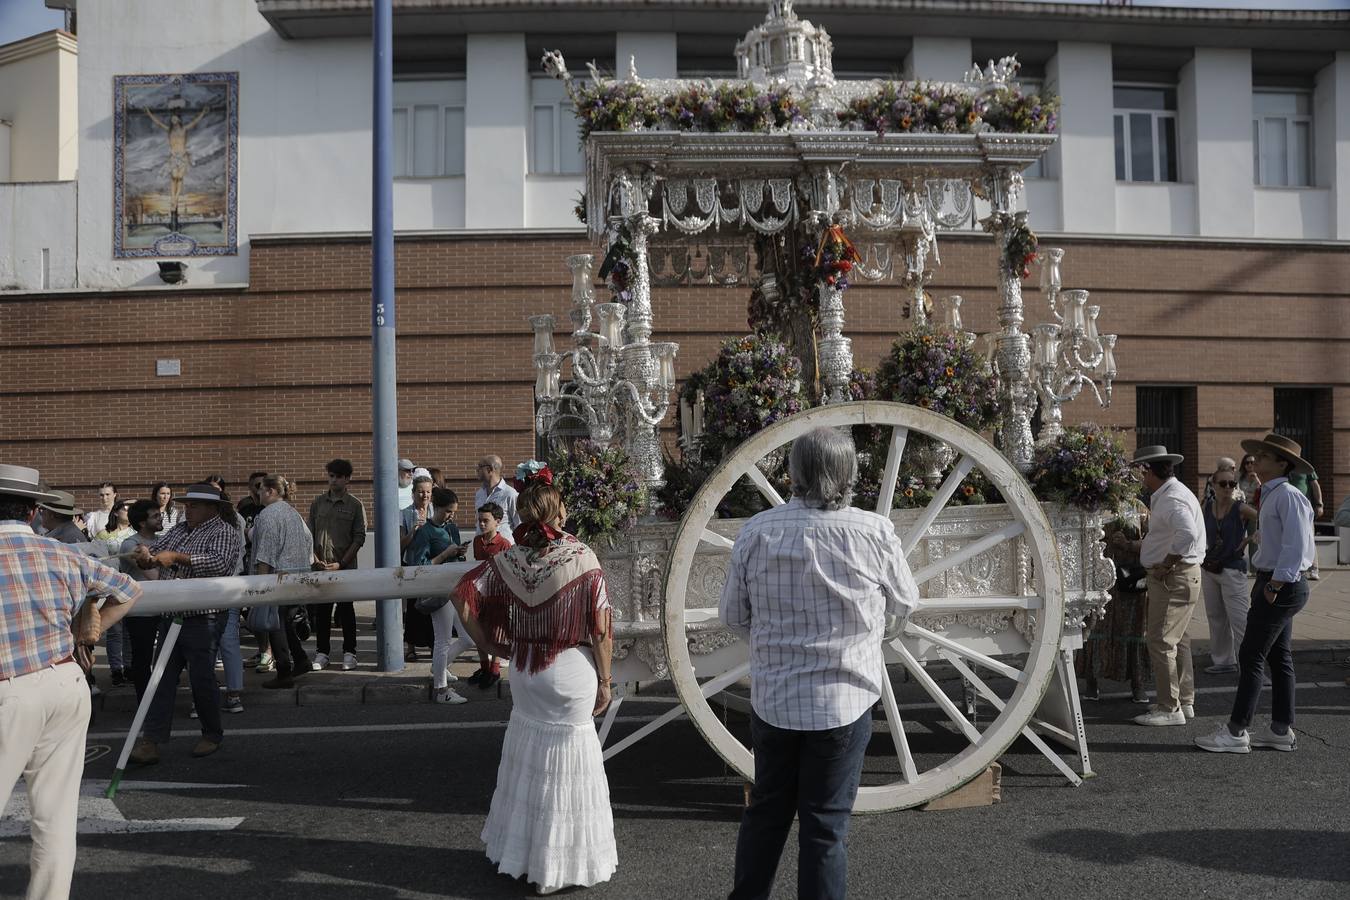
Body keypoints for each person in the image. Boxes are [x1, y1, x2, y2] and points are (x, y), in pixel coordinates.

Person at [720, 427, 918, 900]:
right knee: (826, 827)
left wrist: (773, 645)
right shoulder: (873, 532)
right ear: (848, 473)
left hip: (775, 698)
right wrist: (872, 636)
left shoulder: (758, 531)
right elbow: (905, 604)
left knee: (766, 813)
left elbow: (732, 615)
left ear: (793, 472)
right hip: (843, 699)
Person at [453, 481, 617, 896]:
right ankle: (563, 863)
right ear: (557, 513)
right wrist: (606, 680)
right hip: (568, 670)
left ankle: (522, 856)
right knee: (568, 767)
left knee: (530, 761)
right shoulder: (581, 556)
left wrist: (488, 644)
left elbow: (462, 594)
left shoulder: (509, 558)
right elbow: (600, 630)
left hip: (525, 671)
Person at [0, 464, 140, 899]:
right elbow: (129, 589)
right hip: (65, 680)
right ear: (34, 512)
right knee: (56, 819)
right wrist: (85, 633)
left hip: (9, 687)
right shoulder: (60, 553)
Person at [1196, 433, 1317, 754]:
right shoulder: (1272, 494)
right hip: (1275, 581)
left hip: (1281, 584)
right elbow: (1282, 539)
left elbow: (1297, 545)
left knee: (1250, 655)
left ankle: (1237, 731)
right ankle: (1280, 730)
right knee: (1278, 657)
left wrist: (1275, 584)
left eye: (1264, 456)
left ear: (1282, 463)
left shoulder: (1288, 495)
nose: (1255, 460)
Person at [128, 483, 244, 764]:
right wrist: (146, 557)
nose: (186, 509)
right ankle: (151, 739)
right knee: (161, 678)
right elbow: (157, 554)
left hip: (205, 616)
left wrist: (176, 558)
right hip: (172, 614)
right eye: (187, 505)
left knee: (201, 678)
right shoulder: (180, 530)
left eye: (193, 506)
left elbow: (219, 564)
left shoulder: (225, 532)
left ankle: (211, 733)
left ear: (212, 509)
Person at [1120, 445, 1205, 727]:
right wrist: (1134, 546)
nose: (1138, 476)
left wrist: (1166, 564)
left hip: (1173, 577)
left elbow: (1187, 535)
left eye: (1139, 470)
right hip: (1181, 575)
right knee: (1178, 640)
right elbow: (1164, 536)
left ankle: (1170, 708)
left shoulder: (1172, 499)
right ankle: (1185, 701)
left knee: (1160, 640)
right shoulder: (1170, 494)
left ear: (1147, 470)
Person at [1081, 497, 1151, 704]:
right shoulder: (1093, 504)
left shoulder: (1138, 507)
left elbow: (1154, 539)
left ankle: (1137, 684)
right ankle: (1091, 683)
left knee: (1132, 627)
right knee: (1096, 625)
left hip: (1130, 576)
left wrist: (1129, 545)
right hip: (1100, 576)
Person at [250, 474, 314, 689]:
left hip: (277, 577)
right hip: (298, 576)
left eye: (260, 489)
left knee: (275, 625)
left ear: (270, 491)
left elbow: (265, 552)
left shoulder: (267, 515)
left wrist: (261, 585)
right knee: (285, 622)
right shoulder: (292, 512)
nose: (257, 493)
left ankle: (284, 671)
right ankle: (301, 659)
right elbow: (308, 539)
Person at [408, 487, 469, 704]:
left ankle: (439, 668)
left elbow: (455, 557)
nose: (451, 515)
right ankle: (441, 690)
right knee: (443, 640)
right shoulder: (425, 532)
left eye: (453, 511)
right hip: (438, 589)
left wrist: (459, 553)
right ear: (436, 507)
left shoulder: (451, 527)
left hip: (454, 587)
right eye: (447, 511)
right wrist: (446, 554)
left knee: (467, 637)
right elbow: (418, 565)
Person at [308, 458, 366, 671]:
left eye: (338, 476)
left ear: (347, 479)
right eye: (331, 476)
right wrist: (315, 559)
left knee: (346, 611)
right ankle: (322, 653)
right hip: (320, 567)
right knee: (322, 613)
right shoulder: (317, 503)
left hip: (344, 568)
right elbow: (310, 533)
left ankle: (350, 653)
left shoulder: (355, 505)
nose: (334, 480)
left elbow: (359, 538)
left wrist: (341, 564)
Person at [1200, 470, 1258, 675]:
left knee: (1240, 618)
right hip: (1210, 568)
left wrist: (1249, 539)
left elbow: (1265, 519)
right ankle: (1224, 660)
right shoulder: (1206, 506)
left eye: (1232, 484)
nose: (1227, 488)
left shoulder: (1240, 508)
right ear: (1213, 485)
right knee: (1215, 616)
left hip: (1233, 569)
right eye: (1223, 483)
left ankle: (1250, 666)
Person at [472, 455, 520, 687]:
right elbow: (478, 522)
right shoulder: (479, 494)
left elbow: (518, 524)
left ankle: (495, 664)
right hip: (483, 550)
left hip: (504, 554)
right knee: (481, 617)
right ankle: (486, 665)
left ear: (490, 469)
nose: (476, 470)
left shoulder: (510, 494)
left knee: (499, 618)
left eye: (479, 467)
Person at [120, 499, 164, 704]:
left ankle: (161, 698)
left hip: (165, 607)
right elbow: (154, 576)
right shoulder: (130, 545)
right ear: (141, 523)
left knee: (167, 657)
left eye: (160, 514)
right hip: (140, 610)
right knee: (142, 658)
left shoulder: (164, 540)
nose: (160, 517)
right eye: (155, 516)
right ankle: (145, 703)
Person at [467, 502, 512, 689]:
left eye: (486, 520)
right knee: (479, 630)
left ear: (498, 522)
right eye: (480, 521)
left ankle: (494, 668)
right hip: (480, 593)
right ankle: (484, 666)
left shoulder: (504, 544)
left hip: (496, 595)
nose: (482, 524)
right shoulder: (478, 541)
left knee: (495, 633)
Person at [95, 500, 136, 686]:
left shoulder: (134, 534)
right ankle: (116, 669)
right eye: (124, 508)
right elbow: (95, 556)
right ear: (116, 511)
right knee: (114, 630)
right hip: (110, 584)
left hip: (130, 583)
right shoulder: (103, 534)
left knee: (128, 631)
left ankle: (129, 667)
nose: (127, 512)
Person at [401, 474, 440, 661]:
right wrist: (414, 530)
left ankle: (434, 646)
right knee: (413, 608)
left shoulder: (436, 511)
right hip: (412, 565)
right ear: (413, 493)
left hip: (432, 565)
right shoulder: (405, 513)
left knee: (432, 608)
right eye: (420, 492)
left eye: (427, 492)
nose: (424, 496)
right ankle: (410, 647)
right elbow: (401, 544)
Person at [1286, 461, 1323, 579]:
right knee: (1290, 537)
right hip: (1288, 507)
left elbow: (1315, 485)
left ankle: (1314, 568)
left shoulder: (1306, 468)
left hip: (1304, 507)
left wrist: (1319, 504)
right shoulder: (1283, 466)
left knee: (1309, 536)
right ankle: (1295, 567)